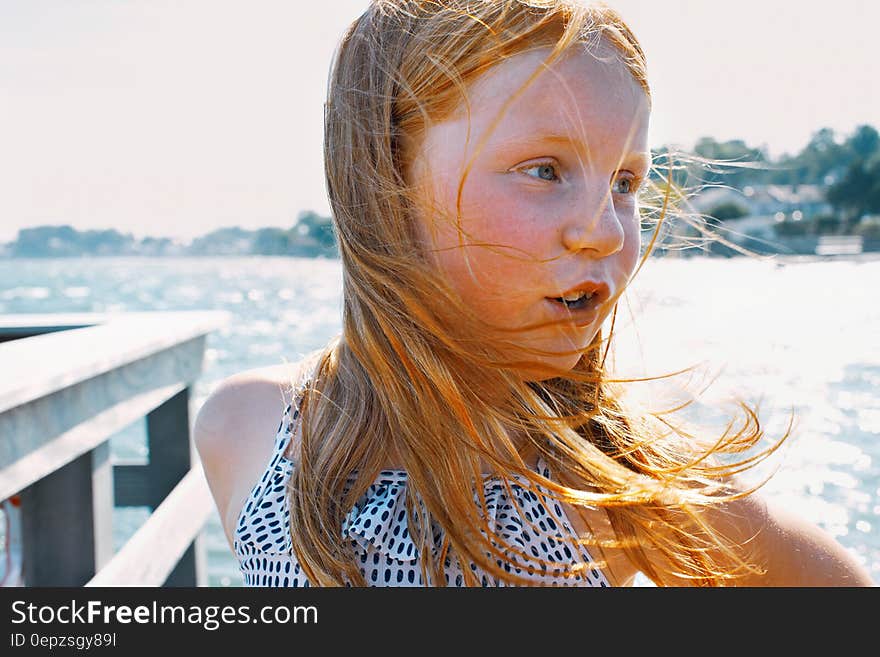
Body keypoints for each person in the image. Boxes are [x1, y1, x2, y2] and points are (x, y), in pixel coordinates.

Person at [193, 0, 874, 587]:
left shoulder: (608, 481)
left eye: (626, 183)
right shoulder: (246, 427)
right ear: (385, 178)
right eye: (544, 170)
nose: (605, 231)